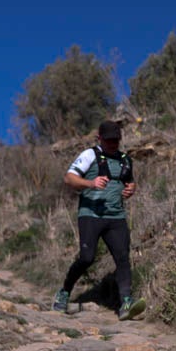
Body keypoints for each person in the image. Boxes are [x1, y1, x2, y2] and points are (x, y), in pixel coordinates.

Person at [51, 120, 147, 321]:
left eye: (116, 140)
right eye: (109, 140)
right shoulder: (89, 155)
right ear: (99, 139)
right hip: (90, 215)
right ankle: (64, 292)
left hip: (116, 217)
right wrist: (90, 183)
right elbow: (69, 178)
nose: (113, 144)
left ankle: (126, 303)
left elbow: (129, 181)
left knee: (122, 258)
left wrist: (131, 189)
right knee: (86, 258)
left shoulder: (125, 160)